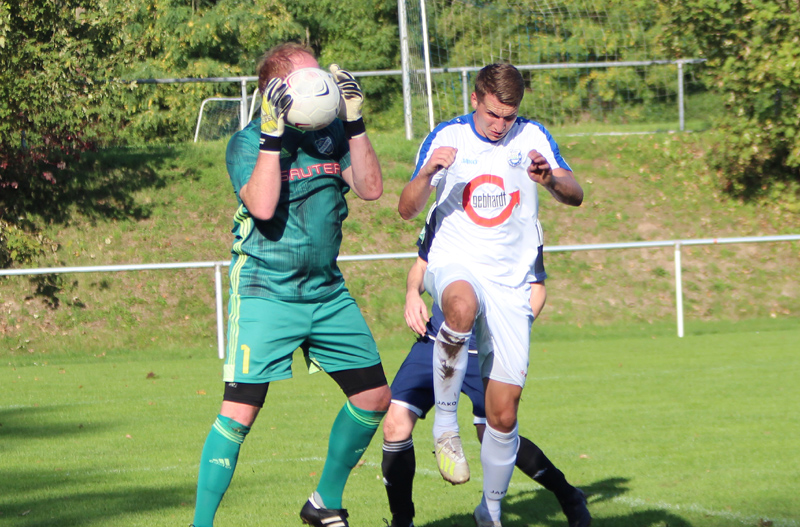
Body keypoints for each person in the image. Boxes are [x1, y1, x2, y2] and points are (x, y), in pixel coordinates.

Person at [191, 42, 391, 527]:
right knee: (239, 412)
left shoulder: (331, 134)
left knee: (373, 396)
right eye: (309, 79)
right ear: (275, 90)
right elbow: (261, 207)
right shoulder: (246, 142)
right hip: (266, 289)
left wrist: (355, 123)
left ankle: (324, 502)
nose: (322, 87)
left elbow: (371, 188)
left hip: (326, 291)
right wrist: (272, 134)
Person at [397, 63, 584, 527]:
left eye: (509, 116)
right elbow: (407, 209)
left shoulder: (532, 136)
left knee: (502, 416)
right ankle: (445, 428)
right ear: (476, 98)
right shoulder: (448, 137)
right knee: (460, 306)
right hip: (456, 263)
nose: (500, 125)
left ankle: (491, 511)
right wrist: (428, 173)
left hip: (509, 285)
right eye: (493, 114)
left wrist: (550, 179)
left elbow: (575, 193)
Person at [381, 216, 591, 527]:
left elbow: (536, 289)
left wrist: (513, 335)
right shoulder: (443, 207)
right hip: (437, 340)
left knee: (495, 434)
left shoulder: (522, 217)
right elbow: (421, 265)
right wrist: (413, 293)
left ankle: (568, 495)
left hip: (487, 348)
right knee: (395, 424)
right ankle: (402, 521)